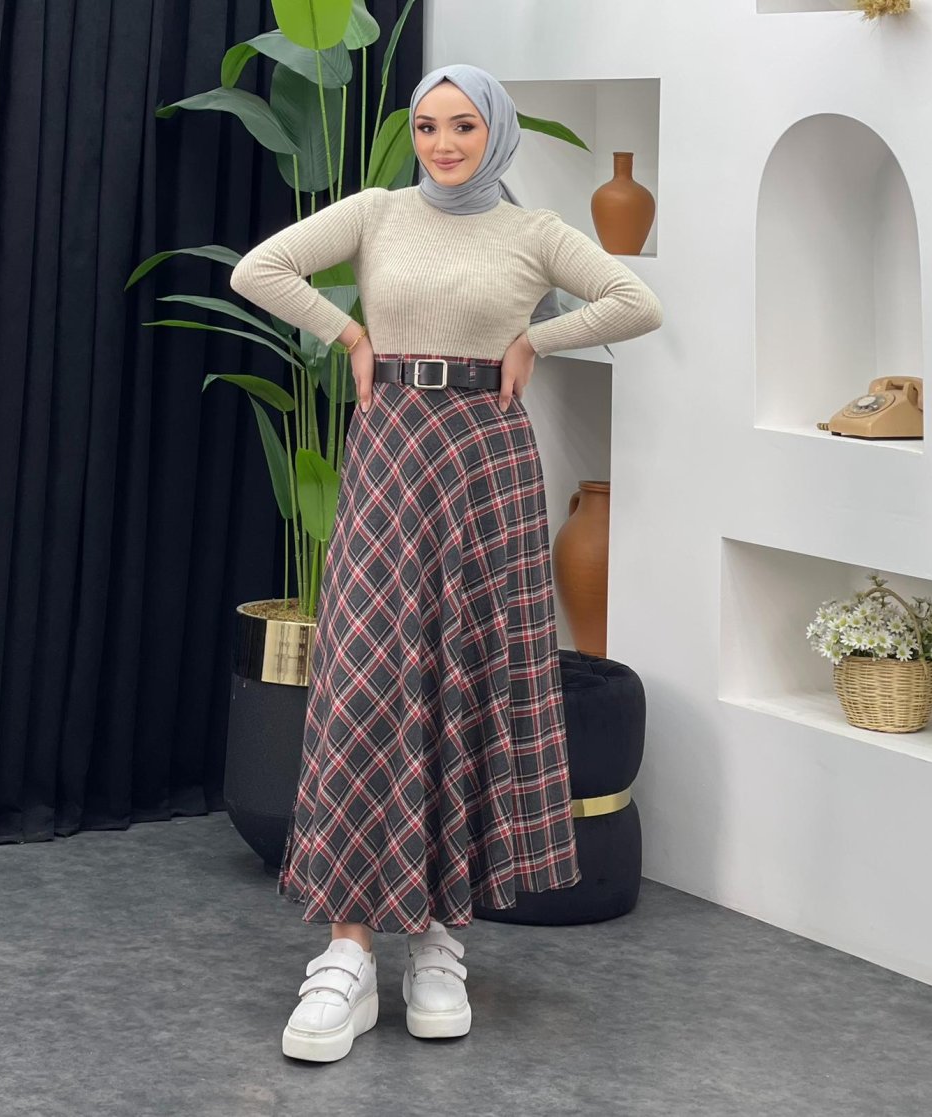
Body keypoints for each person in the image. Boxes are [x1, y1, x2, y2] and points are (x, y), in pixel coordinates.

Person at [229, 62, 663, 1063]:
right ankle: (347, 948)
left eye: (463, 125)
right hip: (390, 452)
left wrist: (539, 340)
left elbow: (634, 299)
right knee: (368, 678)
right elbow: (261, 269)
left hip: (485, 460)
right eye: (426, 126)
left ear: (495, 130)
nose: (442, 144)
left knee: (467, 676)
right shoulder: (378, 213)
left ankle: (437, 939)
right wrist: (348, 331)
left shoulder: (531, 231)